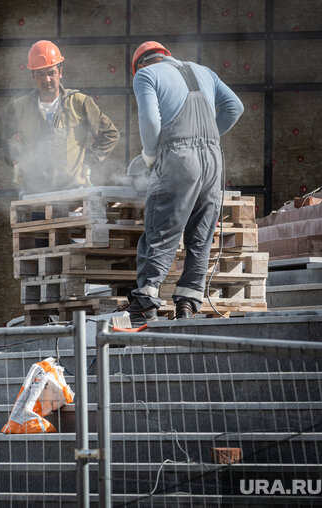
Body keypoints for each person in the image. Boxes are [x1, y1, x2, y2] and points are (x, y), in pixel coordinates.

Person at [126, 41, 244, 326]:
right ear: (166, 56)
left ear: (139, 65)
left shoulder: (146, 75)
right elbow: (235, 107)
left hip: (179, 160)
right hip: (213, 163)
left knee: (161, 230)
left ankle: (144, 304)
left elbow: (151, 121)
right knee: (201, 237)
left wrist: (151, 156)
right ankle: (188, 306)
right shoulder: (204, 71)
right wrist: (207, 139)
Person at [0, 40, 119, 196]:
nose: (46, 79)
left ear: (60, 72)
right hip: (33, 193)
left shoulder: (79, 103)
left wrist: (88, 159)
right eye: (40, 74)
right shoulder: (19, 107)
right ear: (32, 76)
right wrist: (14, 158)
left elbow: (110, 134)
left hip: (73, 193)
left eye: (51, 73)